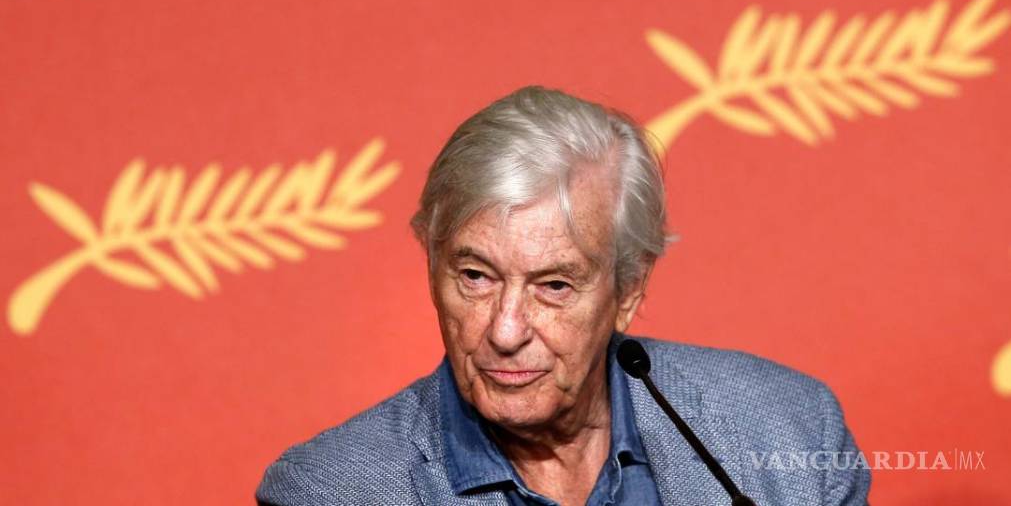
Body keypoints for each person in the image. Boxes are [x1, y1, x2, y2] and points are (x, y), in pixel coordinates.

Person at [256, 86, 871, 505]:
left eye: (553, 285)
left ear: (629, 289)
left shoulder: (789, 429)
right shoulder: (329, 491)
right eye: (476, 276)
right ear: (432, 267)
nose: (505, 330)